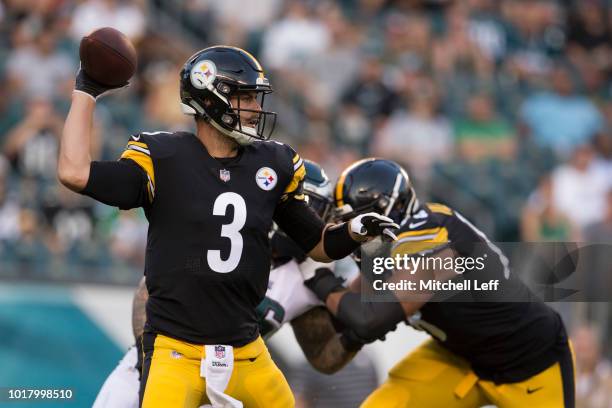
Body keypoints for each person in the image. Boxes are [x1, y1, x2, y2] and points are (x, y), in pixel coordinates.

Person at [57, 47, 398, 406]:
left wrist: (356, 231)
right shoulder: (164, 157)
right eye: (245, 96)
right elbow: (74, 173)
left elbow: (316, 242)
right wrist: (87, 91)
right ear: (210, 97)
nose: (254, 107)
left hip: (245, 353)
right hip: (176, 351)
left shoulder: (274, 163)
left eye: (255, 97)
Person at [304, 158, 575, 407]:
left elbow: (367, 318)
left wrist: (316, 277)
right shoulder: (392, 244)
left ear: (392, 209)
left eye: (359, 221)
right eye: (347, 223)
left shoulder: (434, 241)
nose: (352, 231)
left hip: (529, 363)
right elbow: (348, 311)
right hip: (458, 356)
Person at [93, 160, 359, 408]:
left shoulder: (306, 274)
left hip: (224, 389)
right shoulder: (224, 239)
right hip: (158, 372)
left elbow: (323, 355)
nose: (317, 223)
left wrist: (360, 331)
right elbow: (148, 295)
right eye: (313, 211)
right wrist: (153, 364)